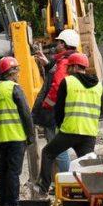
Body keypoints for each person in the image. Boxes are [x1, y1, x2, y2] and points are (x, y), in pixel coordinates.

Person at [34, 52, 101, 195]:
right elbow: (99, 110)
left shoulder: (68, 82)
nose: (67, 70)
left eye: (69, 67)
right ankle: (90, 194)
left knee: (47, 153)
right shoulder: (98, 86)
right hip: (89, 133)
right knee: (87, 165)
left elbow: (59, 109)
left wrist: (60, 126)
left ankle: (43, 187)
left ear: (75, 67)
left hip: (70, 130)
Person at [0, 56, 35, 206]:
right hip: (17, 136)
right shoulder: (14, 88)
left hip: (2, 137)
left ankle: (2, 204)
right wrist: (30, 135)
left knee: (4, 171)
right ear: (11, 72)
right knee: (14, 172)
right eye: (17, 70)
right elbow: (25, 113)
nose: (18, 74)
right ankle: (13, 205)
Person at [32, 29, 79, 174]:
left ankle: (67, 178)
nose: (56, 44)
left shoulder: (64, 62)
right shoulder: (70, 60)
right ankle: (60, 178)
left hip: (54, 113)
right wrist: (47, 64)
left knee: (57, 149)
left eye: (58, 42)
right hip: (62, 111)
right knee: (58, 148)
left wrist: (46, 105)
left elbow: (57, 85)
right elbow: (56, 73)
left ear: (64, 44)